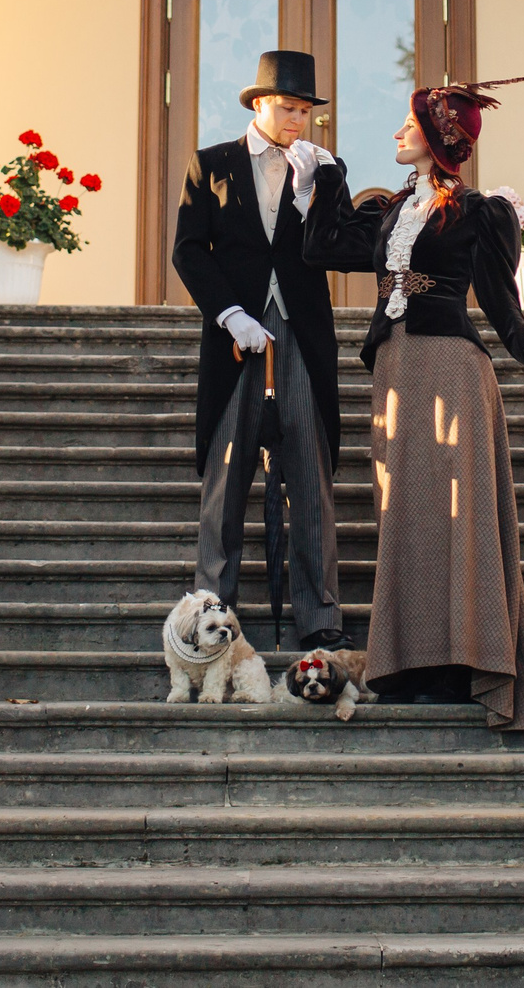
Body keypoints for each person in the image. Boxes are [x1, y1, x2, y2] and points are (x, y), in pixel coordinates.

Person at [306, 76, 524, 731]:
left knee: (454, 514)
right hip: (396, 369)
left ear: (437, 137)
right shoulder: (386, 211)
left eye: (408, 126)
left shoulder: (475, 212)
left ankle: (463, 662)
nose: (397, 135)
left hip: (451, 369)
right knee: (404, 512)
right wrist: (326, 176)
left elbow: (499, 299)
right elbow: (317, 247)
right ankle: (410, 663)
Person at [172, 49, 352, 653]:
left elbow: (340, 248)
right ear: (258, 103)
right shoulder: (211, 164)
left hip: (302, 332)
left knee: (310, 468)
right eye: (288, 107)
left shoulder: (325, 170)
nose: (298, 120)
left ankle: (320, 616)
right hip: (236, 338)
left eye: (306, 110)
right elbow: (189, 251)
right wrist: (229, 313)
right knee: (226, 473)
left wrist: (314, 196)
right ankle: (208, 617)